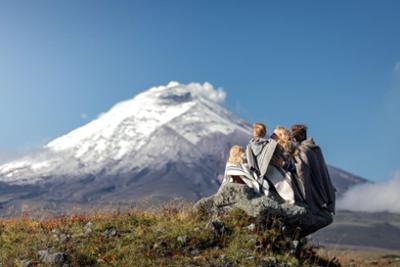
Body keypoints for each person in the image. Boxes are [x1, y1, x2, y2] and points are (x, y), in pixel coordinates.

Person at [246, 123, 301, 204]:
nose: (271, 136)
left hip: (284, 184)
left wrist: (282, 164)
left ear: (282, 136)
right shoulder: (268, 147)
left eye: (274, 135)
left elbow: (299, 169)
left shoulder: (290, 151)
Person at [291, 124, 336, 214]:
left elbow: (302, 171)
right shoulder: (315, 148)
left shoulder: (302, 150)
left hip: (312, 190)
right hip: (321, 188)